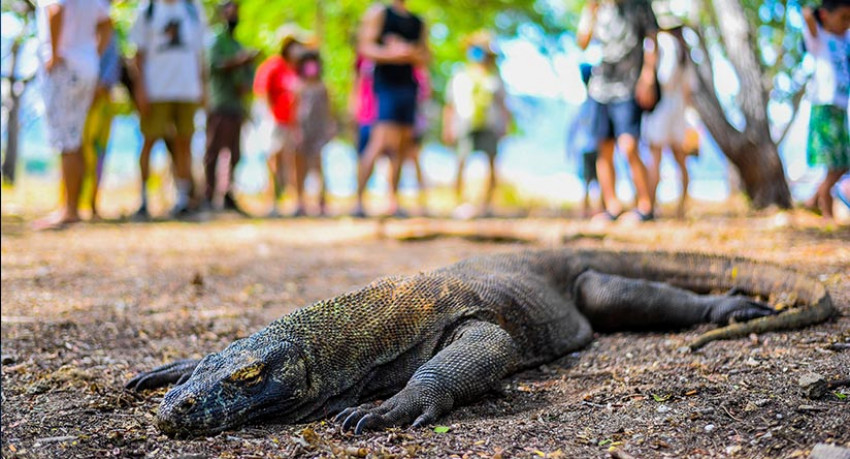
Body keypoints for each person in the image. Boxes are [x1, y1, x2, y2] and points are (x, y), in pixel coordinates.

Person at [577, 0, 659, 223]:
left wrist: (648, 76)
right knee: (603, 147)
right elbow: (582, 43)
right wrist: (590, 12)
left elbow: (652, 40)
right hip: (600, 88)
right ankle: (612, 207)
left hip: (629, 87)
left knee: (628, 145)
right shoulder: (596, 7)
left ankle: (645, 207)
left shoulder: (639, 5)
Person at [33, 0, 112, 230]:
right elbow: (107, 23)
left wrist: (54, 55)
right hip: (85, 66)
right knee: (75, 139)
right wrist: (92, 54)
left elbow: (55, 10)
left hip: (65, 66)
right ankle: (72, 206)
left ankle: (69, 209)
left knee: (66, 141)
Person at [129, 0, 207, 220]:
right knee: (149, 140)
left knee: (184, 143)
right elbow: (138, 54)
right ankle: (143, 200)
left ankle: (182, 200)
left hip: (187, 89)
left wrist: (203, 87)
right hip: (157, 89)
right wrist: (140, 89)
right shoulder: (148, 9)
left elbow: (200, 53)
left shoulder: (192, 9)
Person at [354, 0, 429, 218]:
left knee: (402, 146)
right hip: (386, 87)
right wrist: (393, 53)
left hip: (409, 87)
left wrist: (409, 53)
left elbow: (425, 56)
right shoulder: (380, 13)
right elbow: (365, 48)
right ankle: (359, 202)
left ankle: (393, 202)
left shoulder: (418, 22)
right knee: (379, 142)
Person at [443, 32, 510, 218]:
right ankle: (459, 203)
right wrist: (447, 127)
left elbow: (503, 105)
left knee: (492, 164)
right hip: (464, 124)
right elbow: (450, 105)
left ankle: (487, 205)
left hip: (490, 125)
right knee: (461, 163)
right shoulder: (460, 75)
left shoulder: (494, 78)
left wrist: (505, 126)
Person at [203, 1, 255, 215]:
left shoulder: (237, 44)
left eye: (236, 12)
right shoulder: (215, 40)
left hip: (235, 105)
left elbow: (246, 77)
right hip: (219, 103)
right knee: (213, 151)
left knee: (234, 152)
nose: (233, 16)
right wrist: (239, 61)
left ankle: (228, 194)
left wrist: (246, 73)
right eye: (230, 11)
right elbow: (215, 65)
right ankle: (208, 195)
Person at [642, 17, 697, 219]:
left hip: (662, 107)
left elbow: (664, 77)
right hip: (679, 109)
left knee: (655, 156)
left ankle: (650, 206)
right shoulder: (685, 49)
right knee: (680, 159)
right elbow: (689, 88)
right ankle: (682, 205)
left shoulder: (664, 43)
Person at [801, 1, 850, 221]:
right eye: (843, 17)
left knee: (842, 161)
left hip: (840, 107)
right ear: (825, 15)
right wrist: (816, 11)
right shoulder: (819, 38)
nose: (847, 24)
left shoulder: (845, 39)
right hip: (824, 106)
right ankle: (826, 210)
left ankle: (813, 200)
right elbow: (806, 13)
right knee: (835, 162)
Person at [254, 26, 305, 217]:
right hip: (275, 122)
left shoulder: (298, 69)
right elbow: (262, 93)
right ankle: (272, 201)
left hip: (293, 123)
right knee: (274, 159)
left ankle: (297, 201)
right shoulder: (273, 66)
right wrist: (271, 117)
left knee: (294, 159)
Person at [81, 21, 121, 221]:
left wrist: (101, 87)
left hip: (103, 101)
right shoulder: (79, 27)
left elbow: (113, 65)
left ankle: (92, 202)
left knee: (98, 151)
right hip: (80, 99)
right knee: (78, 150)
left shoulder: (111, 33)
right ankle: (73, 201)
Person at [292, 50, 334, 216]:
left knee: (318, 165)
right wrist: (296, 130)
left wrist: (330, 127)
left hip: (319, 131)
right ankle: (300, 201)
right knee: (300, 165)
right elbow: (294, 111)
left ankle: (322, 201)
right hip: (303, 130)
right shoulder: (299, 86)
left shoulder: (323, 87)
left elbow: (329, 110)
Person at [567, 63, 600, 218]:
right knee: (590, 179)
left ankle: (592, 209)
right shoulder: (588, 102)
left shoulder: (584, 102)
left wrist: (569, 148)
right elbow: (573, 128)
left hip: (589, 145)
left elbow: (572, 128)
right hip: (589, 145)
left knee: (591, 180)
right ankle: (590, 209)